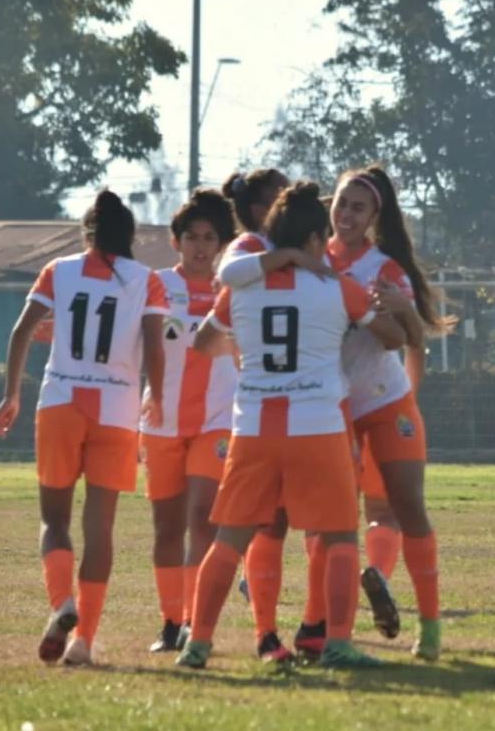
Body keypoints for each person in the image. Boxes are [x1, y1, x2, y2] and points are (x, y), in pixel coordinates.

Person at [176, 181, 408, 670]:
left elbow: (203, 344)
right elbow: (391, 338)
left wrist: (249, 348)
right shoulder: (336, 286)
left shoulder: (240, 288)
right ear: (313, 239)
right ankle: (337, 643)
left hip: (254, 428)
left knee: (229, 539)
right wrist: (380, 311)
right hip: (318, 426)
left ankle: (197, 644)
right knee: (339, 536)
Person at [0, 189, 167, 665]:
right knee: (100, 528)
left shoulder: (59, 270)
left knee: (54, 521)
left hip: (61, 403)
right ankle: (83, 640)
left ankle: (61, 604)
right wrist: (157, 396)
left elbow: (22, 331)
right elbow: (154, 347)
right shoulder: (146, 280)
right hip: (117, 410)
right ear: (129, 235)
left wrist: (12, 394)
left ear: (87, 232)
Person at [321, 164, 449, 662]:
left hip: (385, 402)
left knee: (405, 506)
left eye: (359, 207)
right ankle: (327, 625)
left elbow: (414, 338)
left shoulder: (386, 269)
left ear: (375, 216)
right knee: (330, 518)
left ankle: (429, 625)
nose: (347, 214)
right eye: (342, 203)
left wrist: (403, 308)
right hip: (331, 407)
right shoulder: (312, 261)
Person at [217, 168, 331, 663]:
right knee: (271, 524)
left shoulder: (310, 252)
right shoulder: (248, 249)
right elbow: (225, 289)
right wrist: (288, 257)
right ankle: (265, 632)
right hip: (269, 406)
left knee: (321, 523)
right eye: (278, 197)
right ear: (261, 209)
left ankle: (315, 623)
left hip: (313, 405)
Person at [141, 189, 236, 653]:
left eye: (209, 237)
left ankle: (194, 624)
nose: (201, 246)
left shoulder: (232, 289)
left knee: (203, 518)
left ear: (221, 244)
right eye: (192, 237)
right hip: (161, 420)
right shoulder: (155, 285)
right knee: (167, 528)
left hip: (218, 418)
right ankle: (169, 620)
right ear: (176, 241)